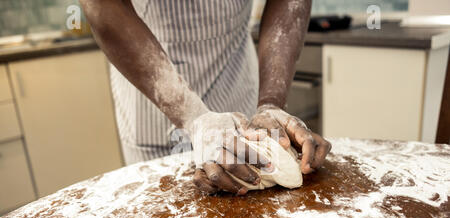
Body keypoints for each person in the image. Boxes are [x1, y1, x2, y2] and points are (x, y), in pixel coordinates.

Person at [80, 0, 331, 195]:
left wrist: (271, 102)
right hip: (153, 98)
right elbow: (102, 5)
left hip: (236, 84)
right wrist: (193, 117)